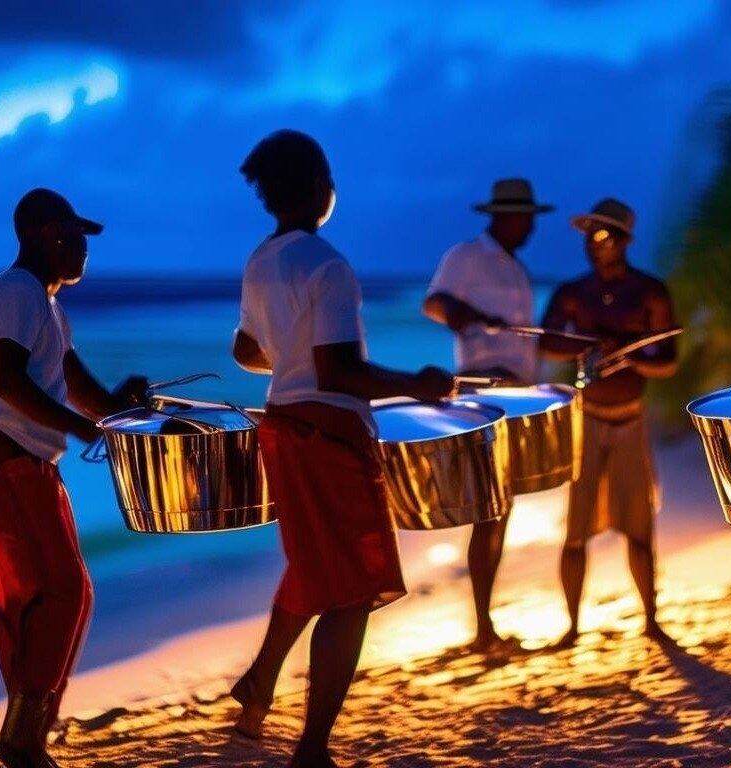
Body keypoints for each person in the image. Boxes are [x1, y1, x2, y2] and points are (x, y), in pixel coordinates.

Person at [229, 129, 453, 768]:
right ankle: (313, 750)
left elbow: (246, 350)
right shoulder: (329, 265)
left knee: (313, 567)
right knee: (353, 591)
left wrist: (286, 349)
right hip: (328, 434)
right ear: (324, 190)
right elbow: (338, 373)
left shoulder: (260, 260)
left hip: (281, 426)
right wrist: (420, 383)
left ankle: (259, 682)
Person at [0, 188, 149, 768]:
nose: (84, 249)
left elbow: (83, 393)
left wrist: (120, 406)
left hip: (26, 462)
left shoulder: (49, 306)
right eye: (76, 236)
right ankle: (19, 740)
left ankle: (28, 734)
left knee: (66, 594)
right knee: (60, 592)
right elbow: (9, 384)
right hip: (5, 460)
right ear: (46, 236)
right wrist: (82, 431)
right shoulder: (14, 293)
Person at [538, 198, 678, 646]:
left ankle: (651, 620)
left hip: (630, 419)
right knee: (575, 531)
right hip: (587, 420)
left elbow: (668, 361)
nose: (594, 245)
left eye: (603, 236)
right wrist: (587, 344)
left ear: (623, 240)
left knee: (639, 528)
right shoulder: (571, 293)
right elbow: (547, 344)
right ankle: (572, 627)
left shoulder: (650, 291)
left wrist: (630, 353)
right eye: (589, 236)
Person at [421, 177, 553, 653]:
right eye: (525, 220)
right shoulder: (466, 256)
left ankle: (485, 625)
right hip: (484, 391)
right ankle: (482, 627)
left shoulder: (516, 268)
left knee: (500, 510)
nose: (530, 229)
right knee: (489, 510)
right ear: (503, 216)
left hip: (516, 393)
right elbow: (434, 303)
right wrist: (468, 314)